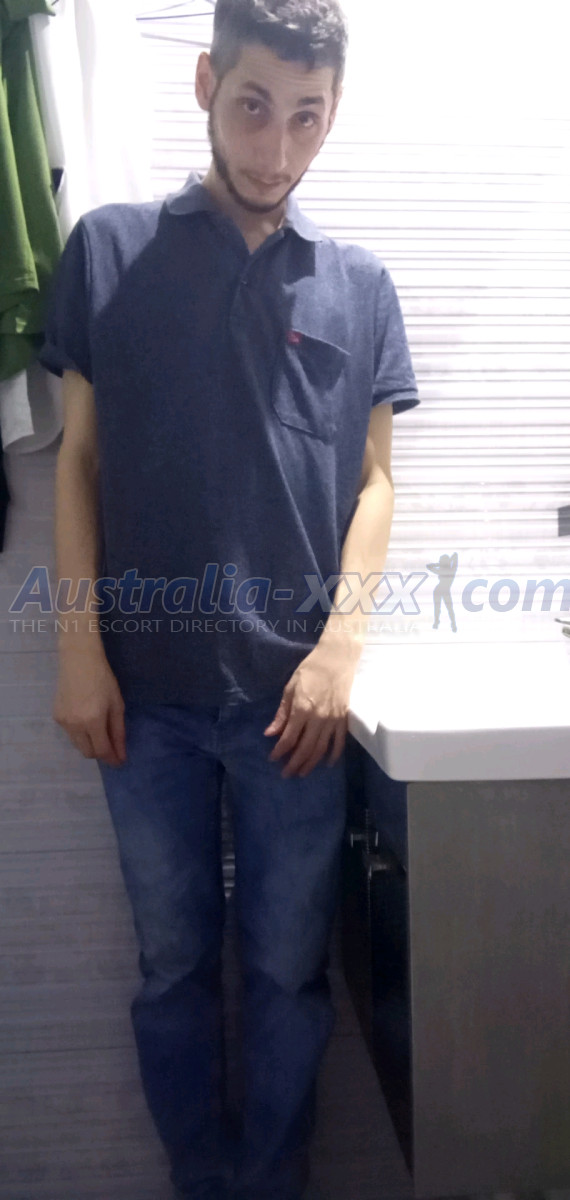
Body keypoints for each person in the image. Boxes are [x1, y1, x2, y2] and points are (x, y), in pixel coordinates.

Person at [38, 1, 419, 1197]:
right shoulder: (109, 251)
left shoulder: (359, 285)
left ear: (333, 114)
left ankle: (272, 1184)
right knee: (172, 971)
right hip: (142, 701)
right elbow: (79, 462)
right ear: (206, 81)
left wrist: (340, 650)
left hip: (292, 705)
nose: (275, 148)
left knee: (289, 977)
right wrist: (77, 652)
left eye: (307, 117)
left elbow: (375, 484)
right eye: (253, 106)